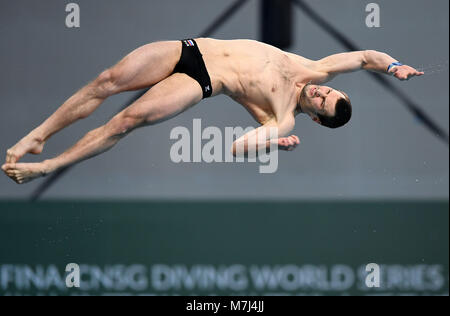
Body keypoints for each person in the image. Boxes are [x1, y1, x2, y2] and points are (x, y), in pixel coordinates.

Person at [2, 38, 424, 184]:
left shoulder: (283, 119)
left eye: (322, 104)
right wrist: (393, 66)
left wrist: (272, 146)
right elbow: (367, 56)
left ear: (316, 118)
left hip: (200, 82)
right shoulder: (317, 69)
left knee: (125, 121)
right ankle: (39, 135)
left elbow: (238, 148)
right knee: (107, 79)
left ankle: (50, 166)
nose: (318, 94)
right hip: (192, 48)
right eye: (326, 94)